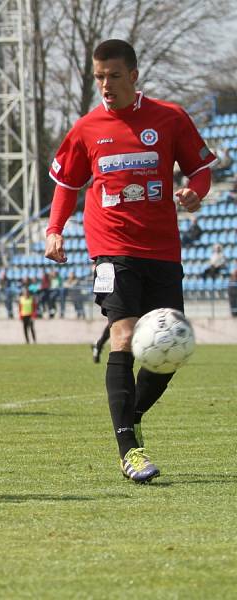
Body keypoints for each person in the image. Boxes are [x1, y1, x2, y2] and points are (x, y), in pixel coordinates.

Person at [44, 39, 216, 483]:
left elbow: (200, 168)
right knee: (122, 335)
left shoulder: (170, 117)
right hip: (111, 248)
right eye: (99, 76)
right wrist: (54, 229)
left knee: (169, 353)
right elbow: (67, 184)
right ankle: (130, 451)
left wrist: (196, 191)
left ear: (134, 76)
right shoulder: (86, 128)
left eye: (114, 76)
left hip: (162, 249)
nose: (105, 85)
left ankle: (129, 416)